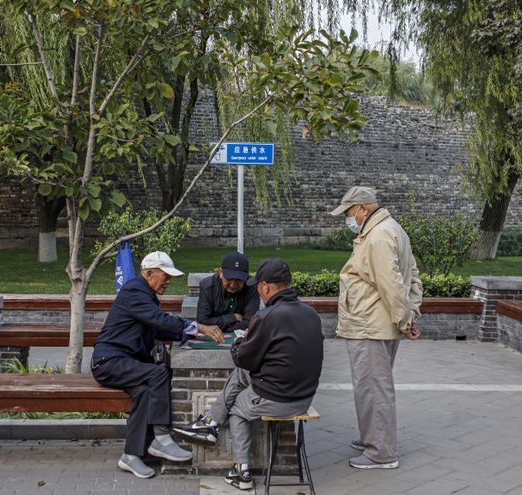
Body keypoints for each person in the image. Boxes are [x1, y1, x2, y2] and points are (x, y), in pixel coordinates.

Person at [173, 258, 324, 491]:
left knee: (237, 410)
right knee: (243, 374)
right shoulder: (310, 313)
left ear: (265, 286)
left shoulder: (269, 316)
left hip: (280, 399)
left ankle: (240, 472)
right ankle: (210, 423)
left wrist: (241, 342)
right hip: (305, 395)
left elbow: (243, 358)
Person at [91, 251, 224, 479]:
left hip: (124, 362)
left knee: (144, 392)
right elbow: (158, 320)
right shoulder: (135, 291)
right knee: (158, 373)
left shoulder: (145, 294)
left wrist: (192, 334)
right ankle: (162, 438)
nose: (169, 281)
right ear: (150, 273)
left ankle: (130, 456)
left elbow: (159, 327)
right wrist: (198, 326)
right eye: (166, 275)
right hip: (109, 362)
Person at [330, 185, 422, 470]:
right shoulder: (390, 230)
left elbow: (392, 285)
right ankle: (373, 437)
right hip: (376, 323)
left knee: (373, 388)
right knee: (373, 385)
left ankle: (380, 452)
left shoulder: (379, 236)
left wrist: (405, 319)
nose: (347, 218)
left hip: (370, 325)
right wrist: (410, 314)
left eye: (348, 212)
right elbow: (413, 277)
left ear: (362, 208)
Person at [196, 252, 261, 333]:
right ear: (221, 273)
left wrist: (218, 328)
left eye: (238, 280)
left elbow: (250, 323)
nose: (233, 285)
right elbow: (202, 322)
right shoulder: (207, 286)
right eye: (229, 279)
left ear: (246, 277)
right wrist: (232, 317)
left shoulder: (252, 287)